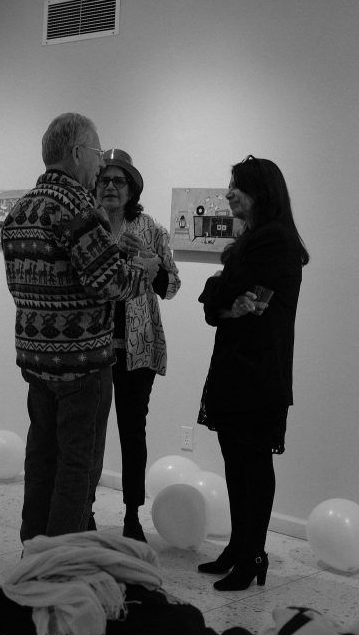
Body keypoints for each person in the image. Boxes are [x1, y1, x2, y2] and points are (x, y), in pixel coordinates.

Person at [1, 113, 162, 543]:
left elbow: (17, 283)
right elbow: (109, 283)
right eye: (95, 154)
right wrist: (143, 269)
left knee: (40, 457)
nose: (97, 168)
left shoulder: (21, 208)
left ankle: (33, 548)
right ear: (76, 153)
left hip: (35, 360)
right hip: (81, 365)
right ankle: (62, 561)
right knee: (78, 465)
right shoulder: (77, 209)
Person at [195, 155, 309, 590]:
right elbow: (216, 302)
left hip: (257, 374)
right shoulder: (256, 239)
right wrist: (221, 295)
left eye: (236, 186)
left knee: (253, 467)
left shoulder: (273, 240)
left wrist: (220, 292)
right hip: (239, 368)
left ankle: (252, 554)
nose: (228, 193)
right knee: (237, 464)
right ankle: (239, 548)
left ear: (261, 192)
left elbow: (220, 291)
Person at [95, 149, 181, 542]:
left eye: (119, 180)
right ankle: (85, 509)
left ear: (132, 189)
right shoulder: (88, 226)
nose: (110, 186)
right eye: (104, 179)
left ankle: (132, 514)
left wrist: (151, 263)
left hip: (137, 348)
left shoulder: (150, 228)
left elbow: (172, 286)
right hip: (91, 347)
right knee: (89, 431)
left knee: (133, 431)